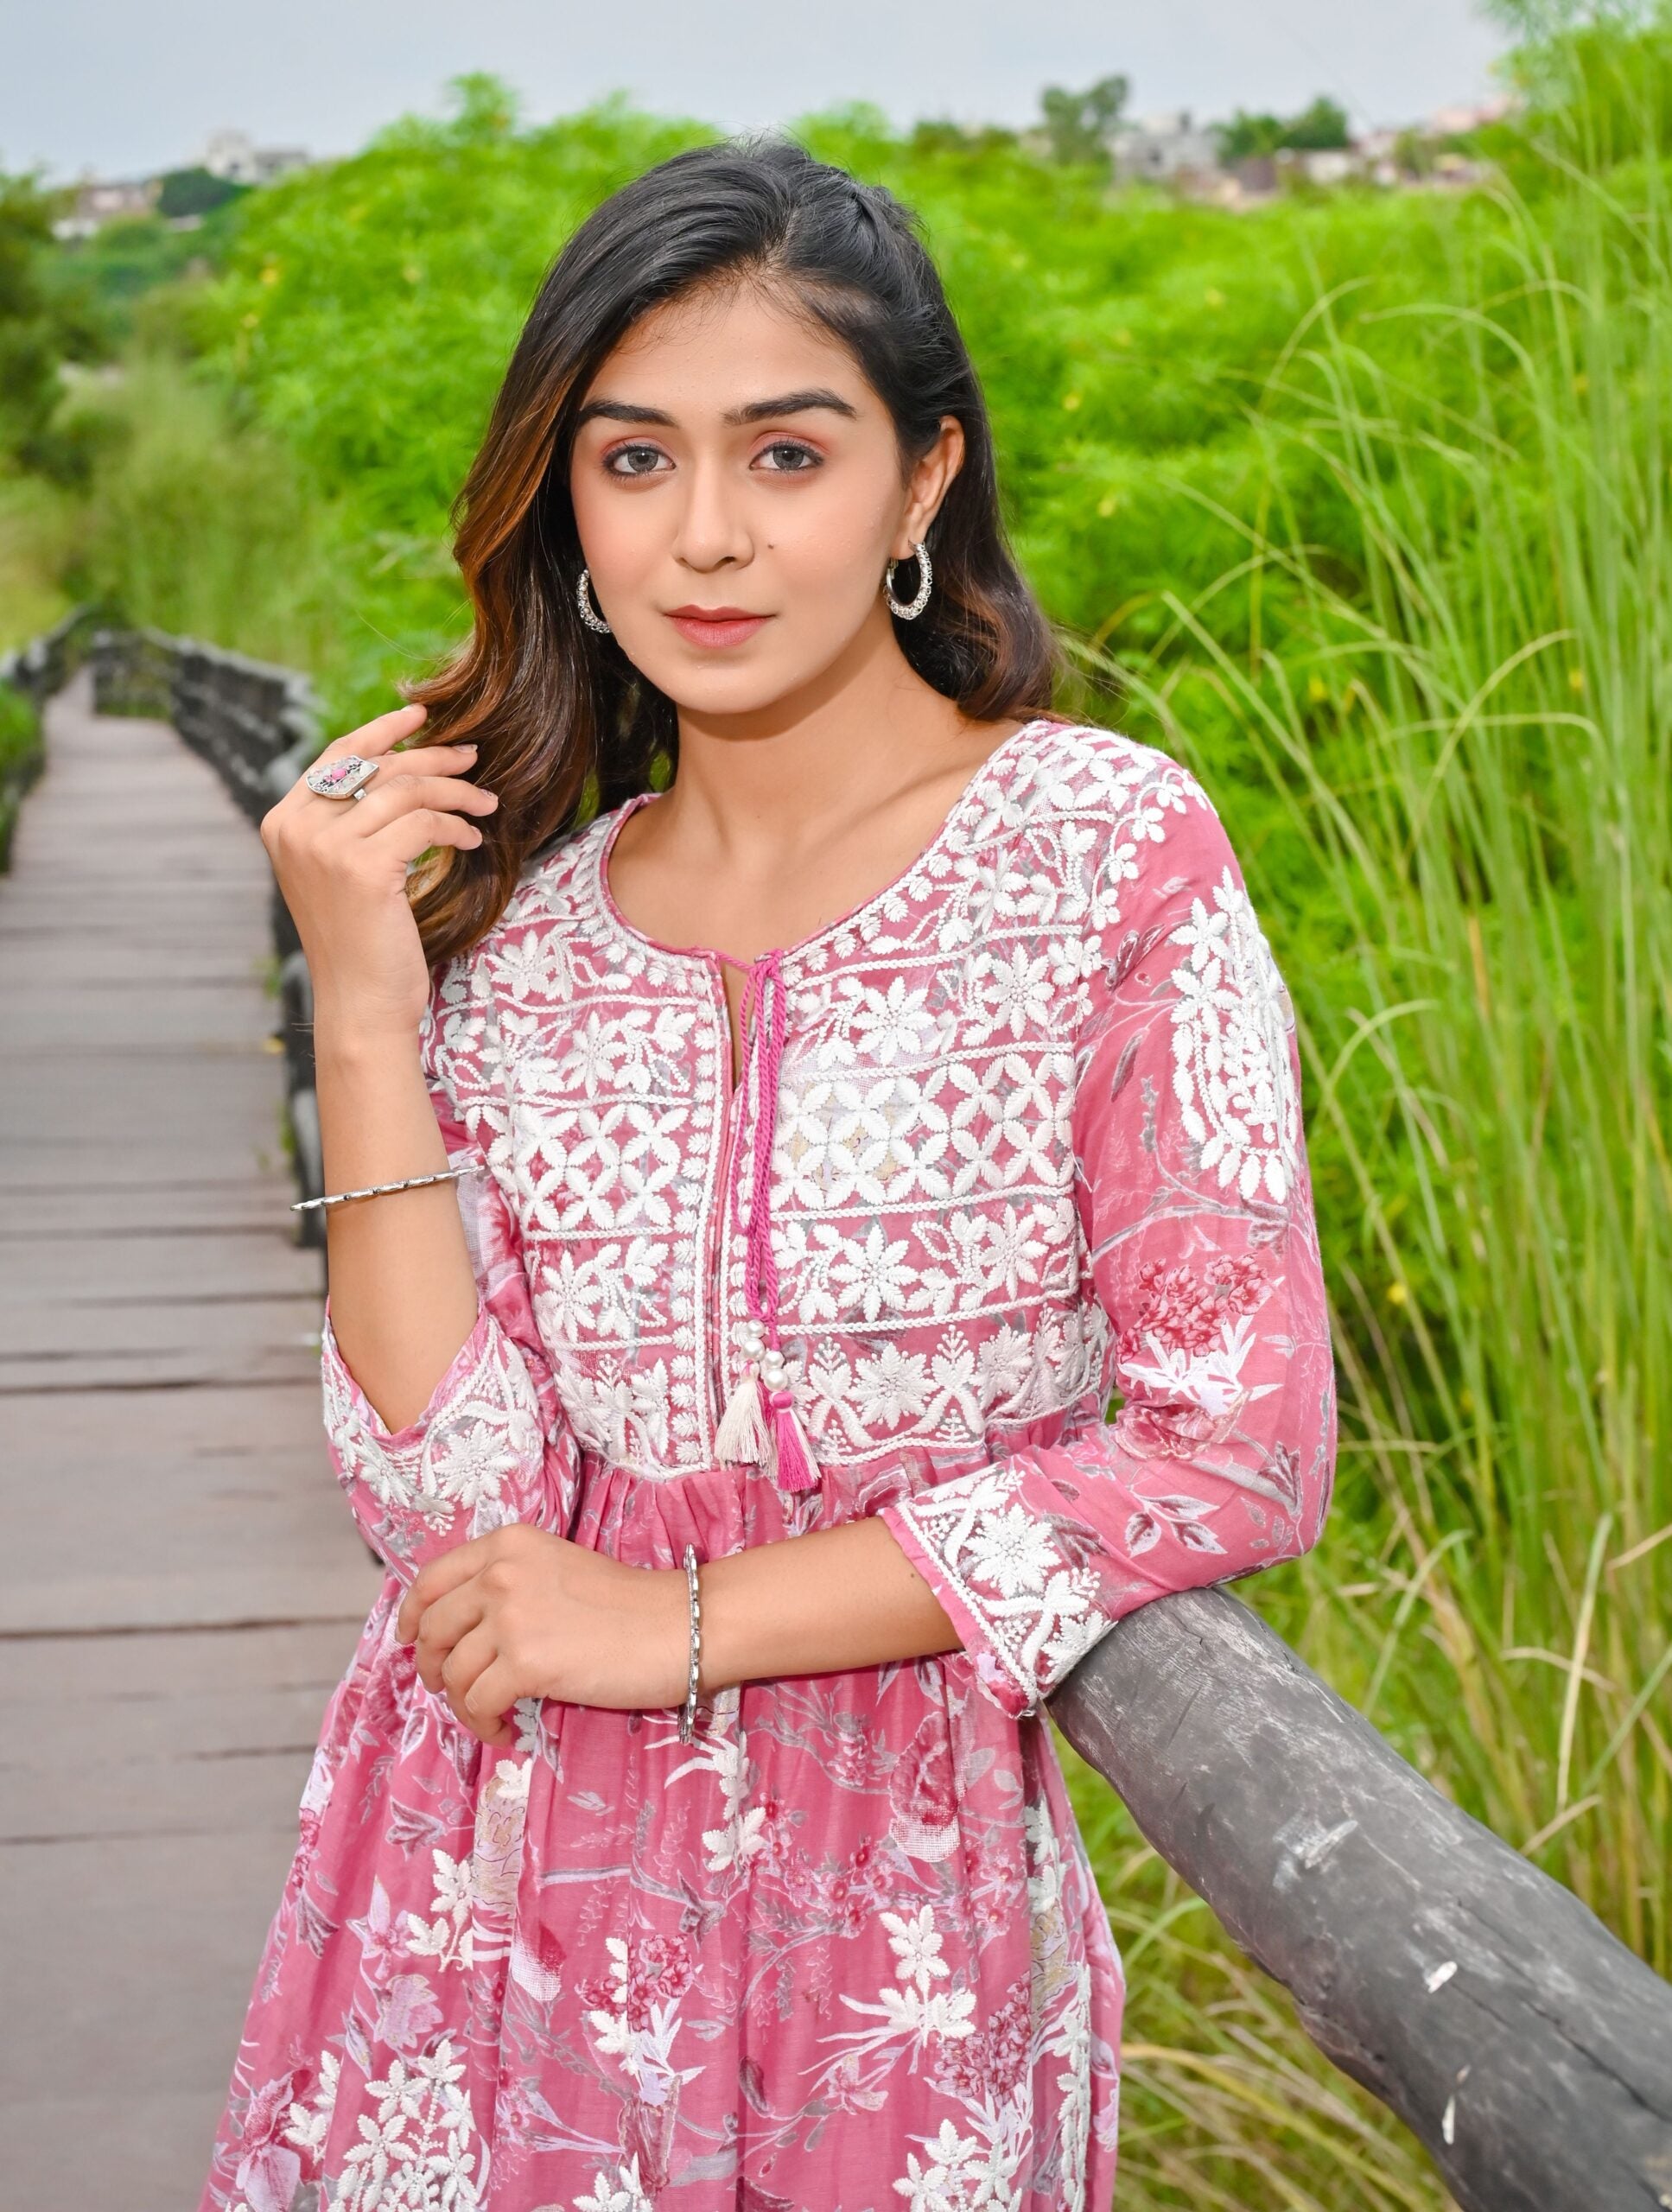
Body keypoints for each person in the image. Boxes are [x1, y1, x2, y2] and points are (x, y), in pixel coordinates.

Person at [199, 137, 1336, 2212]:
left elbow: (1234, 1443)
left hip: (884, 1941)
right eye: (631, 462)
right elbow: (445, 1510)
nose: (702, 539)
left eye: (784, 456)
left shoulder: (1100, 857)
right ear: (564, 503)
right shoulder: (525, 938)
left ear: (919, 482)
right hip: (476, 1904)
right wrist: (366, 1011)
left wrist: (682, 1614)